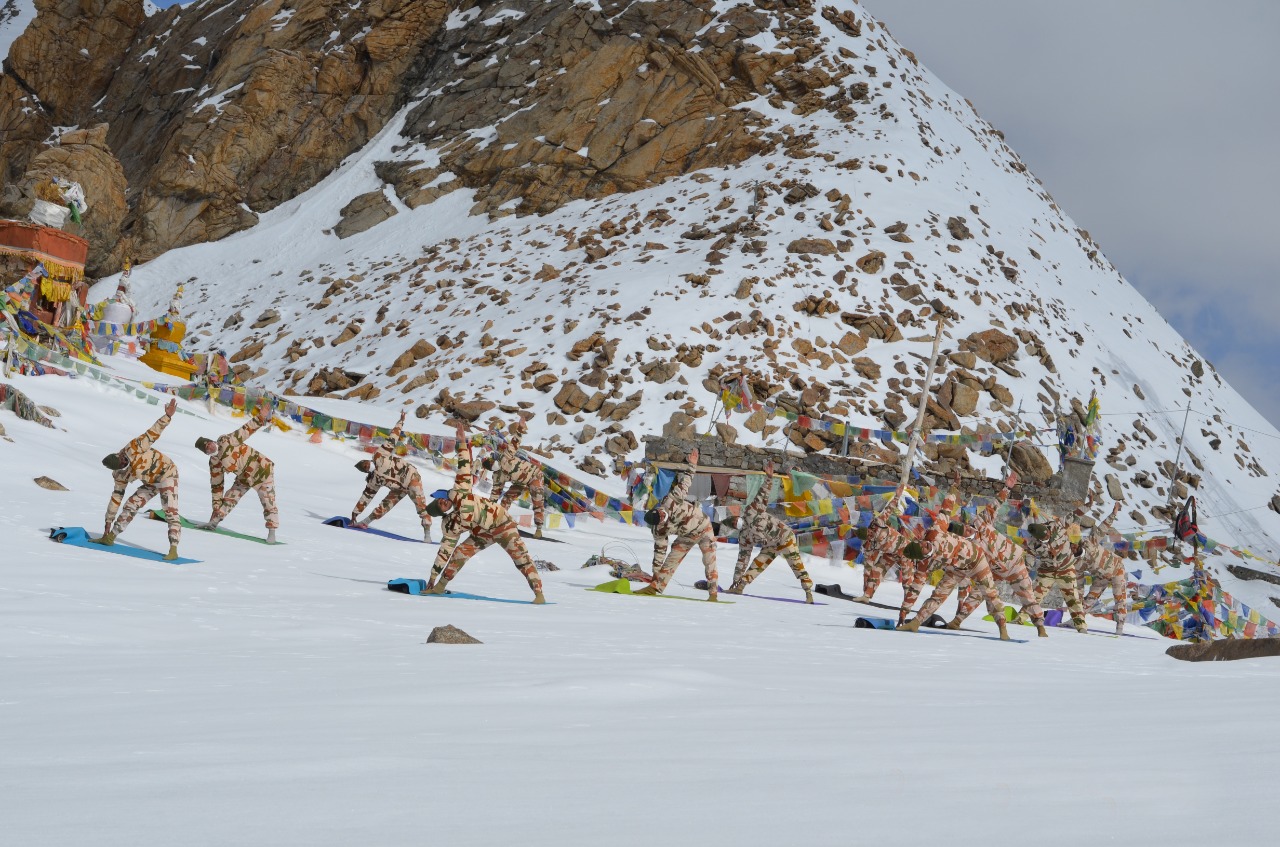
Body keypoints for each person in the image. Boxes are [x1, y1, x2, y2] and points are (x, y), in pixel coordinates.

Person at [424, 421, 545, 602]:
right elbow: (444, 551)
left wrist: (462, 443)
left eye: (441, 500)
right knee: (459, 553)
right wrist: (432, 578)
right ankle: (439, 587)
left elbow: (464, 465)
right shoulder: (450, 525)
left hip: (502, 523)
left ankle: (538, 594)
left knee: (520, 558)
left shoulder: (460, 491)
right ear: (443, 511)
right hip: (483, 532)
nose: (443, 502)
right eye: (441, 505)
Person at [95, 398, 182, 560]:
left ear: (119, 454)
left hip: (167, 473)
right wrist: (108, 521)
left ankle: (173, 548)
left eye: (123, 460)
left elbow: (153, 432)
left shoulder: (134, 447)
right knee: (130, 505)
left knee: (170, 511)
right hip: (150, 481)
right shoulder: (120, 474)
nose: (124, 462)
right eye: (121, 465)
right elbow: (116, 498)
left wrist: (167, 416)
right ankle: (110, 537)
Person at [954, 491, 1048, 637]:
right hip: (994, 569)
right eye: (962, 530)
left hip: (1014, 562)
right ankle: (958, 620)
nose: (966, 529)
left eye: (965, 525)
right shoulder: (967, 545)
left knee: (1027, 596)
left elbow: (993, 506)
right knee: (979, 592)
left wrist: (1005, 490)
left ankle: (1040, 627)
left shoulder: (981, 521)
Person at [899, 520, 1010, 641]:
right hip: (955, 568)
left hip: (976, 560)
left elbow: (946, 509)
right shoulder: (924, 565)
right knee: (938, 595)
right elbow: (915, 589)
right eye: (922, 548)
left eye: (921, 543)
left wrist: (962, 526)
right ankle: (915, 623)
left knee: (990, 595)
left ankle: (1002, 628)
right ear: (923, 556)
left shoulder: (934, 532)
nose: (924, 544)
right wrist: (904, 611)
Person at [729, 459, 814, 603]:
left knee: (796, 564)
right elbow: (742, 560)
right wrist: (735, 580)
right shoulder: (744, 537)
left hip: (785, 537)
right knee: (758, 563)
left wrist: (769, 478)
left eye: (737, 519)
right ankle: (740, 586)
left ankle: (808, 593)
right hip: (770, 545)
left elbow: (762, 495)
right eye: (735, 524)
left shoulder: (752, 511)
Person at [638, 448, 718, 601]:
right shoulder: (658, 529)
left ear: (659, 510)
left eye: (661, 514)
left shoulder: (672, 499)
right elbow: (659, 553)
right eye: (661, 519)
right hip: (686, 535)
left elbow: (686, 481)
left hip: (703, 527)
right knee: (671, 559)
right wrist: (655, 576)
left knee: (709, 559)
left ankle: (713, 594)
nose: (663, 516)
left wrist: (692, 465)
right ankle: (655, 587)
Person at [195, 404, 279, 543]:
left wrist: (261, 417)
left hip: (261, 470)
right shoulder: (214, 462)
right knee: (230, 497)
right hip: (244, 477)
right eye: (206, 449)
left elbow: (245, 430)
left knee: (268, 501)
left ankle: (272, 532)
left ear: (211, 441)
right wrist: (215, 510)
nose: (209, 448)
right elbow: (217, 486)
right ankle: (213, 523)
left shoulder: (226, 441)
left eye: (208, 444)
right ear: (206, 453)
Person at [351, 411, 433, 541]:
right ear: (367, 472)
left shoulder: (379, 455)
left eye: (366, 464)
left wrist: (400, 421)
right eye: (365, 468)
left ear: (368, 461)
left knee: (420, 506)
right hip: (398, 488)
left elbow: (392, 438)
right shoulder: (374, 480)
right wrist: (355, 512)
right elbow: (366, 497)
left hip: (411, 477)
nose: (368, 466)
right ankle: (365, 522)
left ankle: (427, 534)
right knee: (385, 505)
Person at [853, 492, 932, 625]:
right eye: (869, 535)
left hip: (904, 550)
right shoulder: (869, 544)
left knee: (907, 581)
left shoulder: (878, 523)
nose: (871, 534)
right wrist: (865, 588)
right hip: (889, 554)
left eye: (870, 532)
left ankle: (908, 606)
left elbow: (889, 508)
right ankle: (866, 596)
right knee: (876, 570)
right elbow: (868, 564)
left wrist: (897, 495)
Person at [1027, 508, 1088, 634]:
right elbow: (1029, 557)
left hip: (1066, 568)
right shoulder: (1033, 543)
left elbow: (1075, 514)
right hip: (1047, 570)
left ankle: (1081, 626)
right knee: (1034, 596)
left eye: (1047, 536)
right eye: (1044, 539)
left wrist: (1088, 505)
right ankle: (1020, 619)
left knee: (1073, 599)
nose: (1047, 539)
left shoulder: (1057, 524)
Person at [486, 418, 547, 538]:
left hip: (534, 475)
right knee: (506, 499)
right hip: (519, 482)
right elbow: (494, 495)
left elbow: (515, 442)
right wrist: (488, 512)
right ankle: (500, 522)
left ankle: (539, 529)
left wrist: (520, 428)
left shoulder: (506, 456)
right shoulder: (497, 476)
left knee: (537, 500)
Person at [1076, 502, 1128, 635]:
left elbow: (1102, 528)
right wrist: (1079, 598)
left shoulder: (1089, 541)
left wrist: (1114, 513)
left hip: (1117, 569)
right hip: (1101, 577)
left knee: (1119, 598)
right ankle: (1078, 620)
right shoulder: (1077, 564)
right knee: (1089, 599)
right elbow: (1079, 584)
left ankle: (1120, 626)